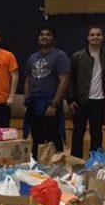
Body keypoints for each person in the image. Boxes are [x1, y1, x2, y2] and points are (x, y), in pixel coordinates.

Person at [24, 25, 71, 155]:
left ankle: (56, 171)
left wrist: (54, 104)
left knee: (53, 139)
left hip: (50, 102)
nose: (44, 36)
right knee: (36, 139)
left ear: (54, 39)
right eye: (41, 34)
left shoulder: (60, 56)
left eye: (48, 35)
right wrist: (27, 101)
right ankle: (36, 170)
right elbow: (28, 80)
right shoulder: (32, 57)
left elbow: (64, 81)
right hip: (34, 103)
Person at [69, 25, 105, 158]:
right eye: (92, 35)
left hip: (99, 101)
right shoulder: (77, 56)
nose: (95, 37)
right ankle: (75, 160)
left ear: (102, 37)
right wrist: (70, 99)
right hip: (81, 101)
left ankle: (95, 161)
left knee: (97, 133)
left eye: (98, 34)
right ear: (88, 37)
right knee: (78, 132)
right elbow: (71, 80)